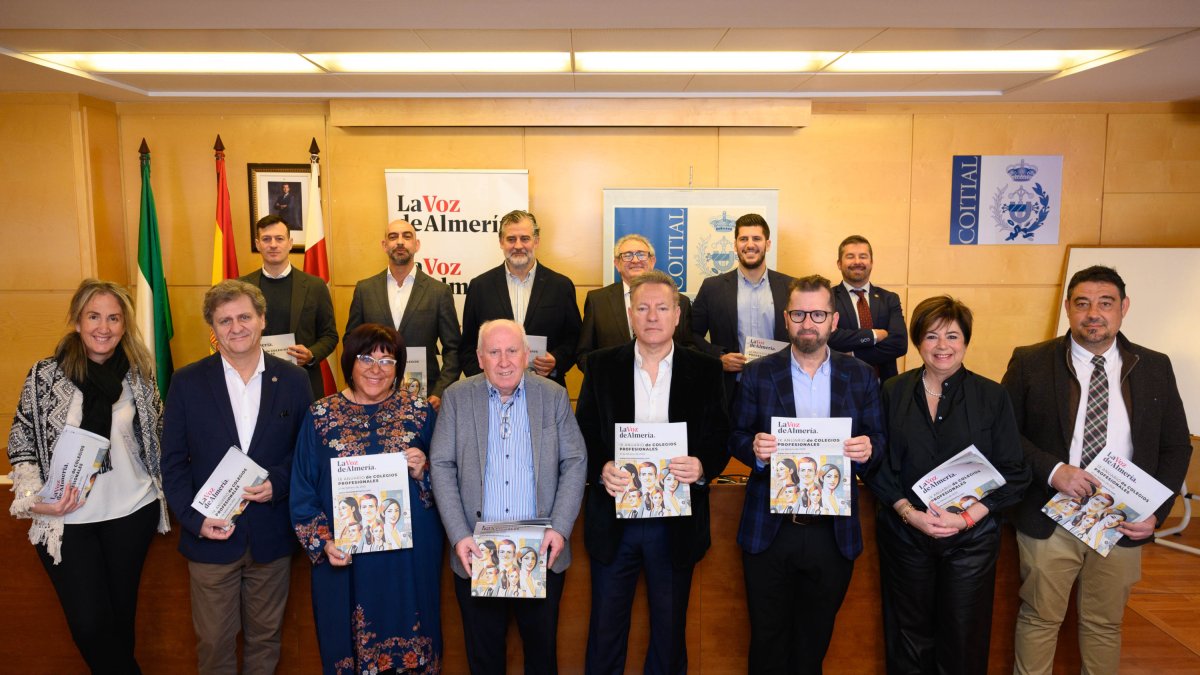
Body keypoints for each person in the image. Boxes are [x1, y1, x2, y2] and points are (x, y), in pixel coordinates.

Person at [1002, 265, 1191, 675]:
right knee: (1039, 619)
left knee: (1104, 624)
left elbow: (1176, 445)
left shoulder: (1155, 366)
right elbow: (1004, 434)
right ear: (1068, 308)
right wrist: (1054, 470)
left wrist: (1157, 513)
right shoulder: (1031, 361)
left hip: (1122, 520)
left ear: (1123, 308)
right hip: (1049, 514)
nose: (1094, 313)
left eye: (1105, 303)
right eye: (1083, 303)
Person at [7, 279, 170, 673]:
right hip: (67, 517)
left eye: (114, 318)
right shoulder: (44, 376)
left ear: (124, 325)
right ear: (77, 322)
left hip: (131, 511)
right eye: (94, 316)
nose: (104, 326)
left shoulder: (139, 374)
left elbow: (160, 435)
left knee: (119, 622)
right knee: (90, 625)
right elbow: (22, 441)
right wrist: (35, 499)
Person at [576, 269, 731, 674]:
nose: (652, 316)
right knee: (606, 628)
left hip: (676, 522)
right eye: (642, 308)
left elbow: (719, 435)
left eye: (662, 308)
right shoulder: (600, 366)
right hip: (614, 520)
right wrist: (601, 467)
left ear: (677, 314)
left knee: (669, 630)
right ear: (630, 313)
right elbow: (585, 433)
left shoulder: (705, 369)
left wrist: (702, 466)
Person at [865, 295, 1030, 674]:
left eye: (952, 336)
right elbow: (877, 466)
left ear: (966, 342)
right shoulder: (892, 391)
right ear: (917, 341)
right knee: (908, 636)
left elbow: (1014, 472)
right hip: (906, 536)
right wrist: (909, 514)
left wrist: (965, 519)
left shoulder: (992, 396)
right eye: (932, 336)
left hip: (970, 541)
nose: (942, 347)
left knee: (963, 637)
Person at [730, 274, 883, 674]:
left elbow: (879, 439)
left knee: (813, 644)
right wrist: (756, 450)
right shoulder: (759, 373)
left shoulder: (862, 376)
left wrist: (868, 449)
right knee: (766, 642)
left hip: (833, 534)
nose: (808, 323)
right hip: (770, 531)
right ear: (786, 318)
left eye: (818, 314)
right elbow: (737, 435)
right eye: (799, 314)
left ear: (834, 320)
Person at [161, 279, 313, 675]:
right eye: (224, 320)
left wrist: (277, 484)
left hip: (271, 536)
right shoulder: (187, 382)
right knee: (213, 644)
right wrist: (195, 521)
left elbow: (305, 454)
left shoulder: (295, 381)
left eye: (244, 316)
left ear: (262, 320)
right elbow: (173, 462)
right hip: (210, 536)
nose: (236, 327)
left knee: (266, 641)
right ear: (213, 329)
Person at [431, 319, 586, 674]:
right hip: (476, 553)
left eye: (512, 351)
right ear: (480, 358)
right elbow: (441, 466)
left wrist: (560, 529)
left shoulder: (553, 395)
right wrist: (459, 536)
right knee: (484, 660)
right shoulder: (457, 397)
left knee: (542, 657)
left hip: (541, 553)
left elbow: (575, 461)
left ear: (527, 354)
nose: (504, 361)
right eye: (494, 352)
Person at [290, 323, 444, 674]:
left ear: (398, 369)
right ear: (349, 362)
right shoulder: (319, 416)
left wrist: (425, 471)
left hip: (410, 557)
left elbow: (450, 481)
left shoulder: (420, 413)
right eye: (366, 359)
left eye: (387, 361)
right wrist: (323, 543)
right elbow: (302, 490)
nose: (376, 370)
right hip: (346, 560)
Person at [345, 218, 462, 409]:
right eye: (393, 237)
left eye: (407, 237)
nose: (400, 242)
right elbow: (351, 342)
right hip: (373, 392)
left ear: (416, 245)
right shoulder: (365, 290)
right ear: (384, 245)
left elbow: (453, 349)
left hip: (425, 398)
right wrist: (359, 382)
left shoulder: (439, 292)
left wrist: (440, 391)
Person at [459, 210, 582, 388]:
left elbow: (574, 339)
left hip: (546, 390)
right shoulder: (480, 287)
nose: (518, 245)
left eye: (525, 239)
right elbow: (468, 346)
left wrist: (556, 361)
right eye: (511, 239)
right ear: (501, 242)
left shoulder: (560, 286)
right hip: (492, 394)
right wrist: (485, 381)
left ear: (536, 241)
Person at [691, 213, 795, 409]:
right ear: (735, 245)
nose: (750, 244)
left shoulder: (790, 286)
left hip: (780, 384)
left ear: (768, 244)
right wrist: (718, 358)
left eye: (756, 238)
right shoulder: (712, 287)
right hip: (732, 388)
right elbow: (692, 334)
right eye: (743, 239)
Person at [241, 214, 339, 399]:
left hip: (302, 382)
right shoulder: (242, 288)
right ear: (258, 244)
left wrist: (311, 354)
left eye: (279, 239)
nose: (273, 244)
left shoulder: (315, 286)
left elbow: (330, 335)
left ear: (290, 243)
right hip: (254, 384)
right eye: (266, 239)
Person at [576, 233, 694, 373]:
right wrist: (606, 379)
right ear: (617, 264)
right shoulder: (597, 301)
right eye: (627, 255)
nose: (635, 260)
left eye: (641, 254)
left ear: (652, 261)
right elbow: (583, 354)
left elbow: (689, 350)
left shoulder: (681, 302)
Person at [828, 234, 908, 381]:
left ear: (871, 262)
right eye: (850, 256)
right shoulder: (827, 298)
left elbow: (899, 344)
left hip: (883, 385)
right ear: (839, 263)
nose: (857, 262)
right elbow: (829, 338)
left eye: (863, 256)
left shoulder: (890, 299)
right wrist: (873, 336)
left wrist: (853, 354)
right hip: (841, 384)